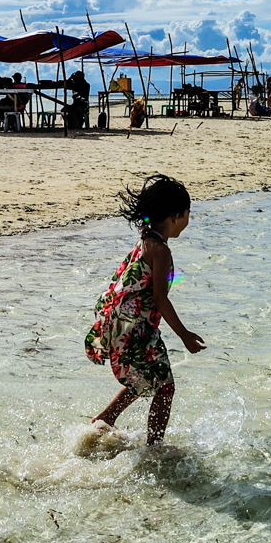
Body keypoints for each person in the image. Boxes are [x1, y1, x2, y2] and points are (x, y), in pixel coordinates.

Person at [85, 175, 206, 443]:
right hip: (135, 328)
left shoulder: (145, 238)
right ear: (175, 217)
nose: (188, 221)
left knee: (145, 377)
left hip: (123, 322)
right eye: (187, 215)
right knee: (165, 387)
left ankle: (106, 418)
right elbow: (161, 299)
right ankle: (154, 448)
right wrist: (184, 335)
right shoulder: (161, 250)